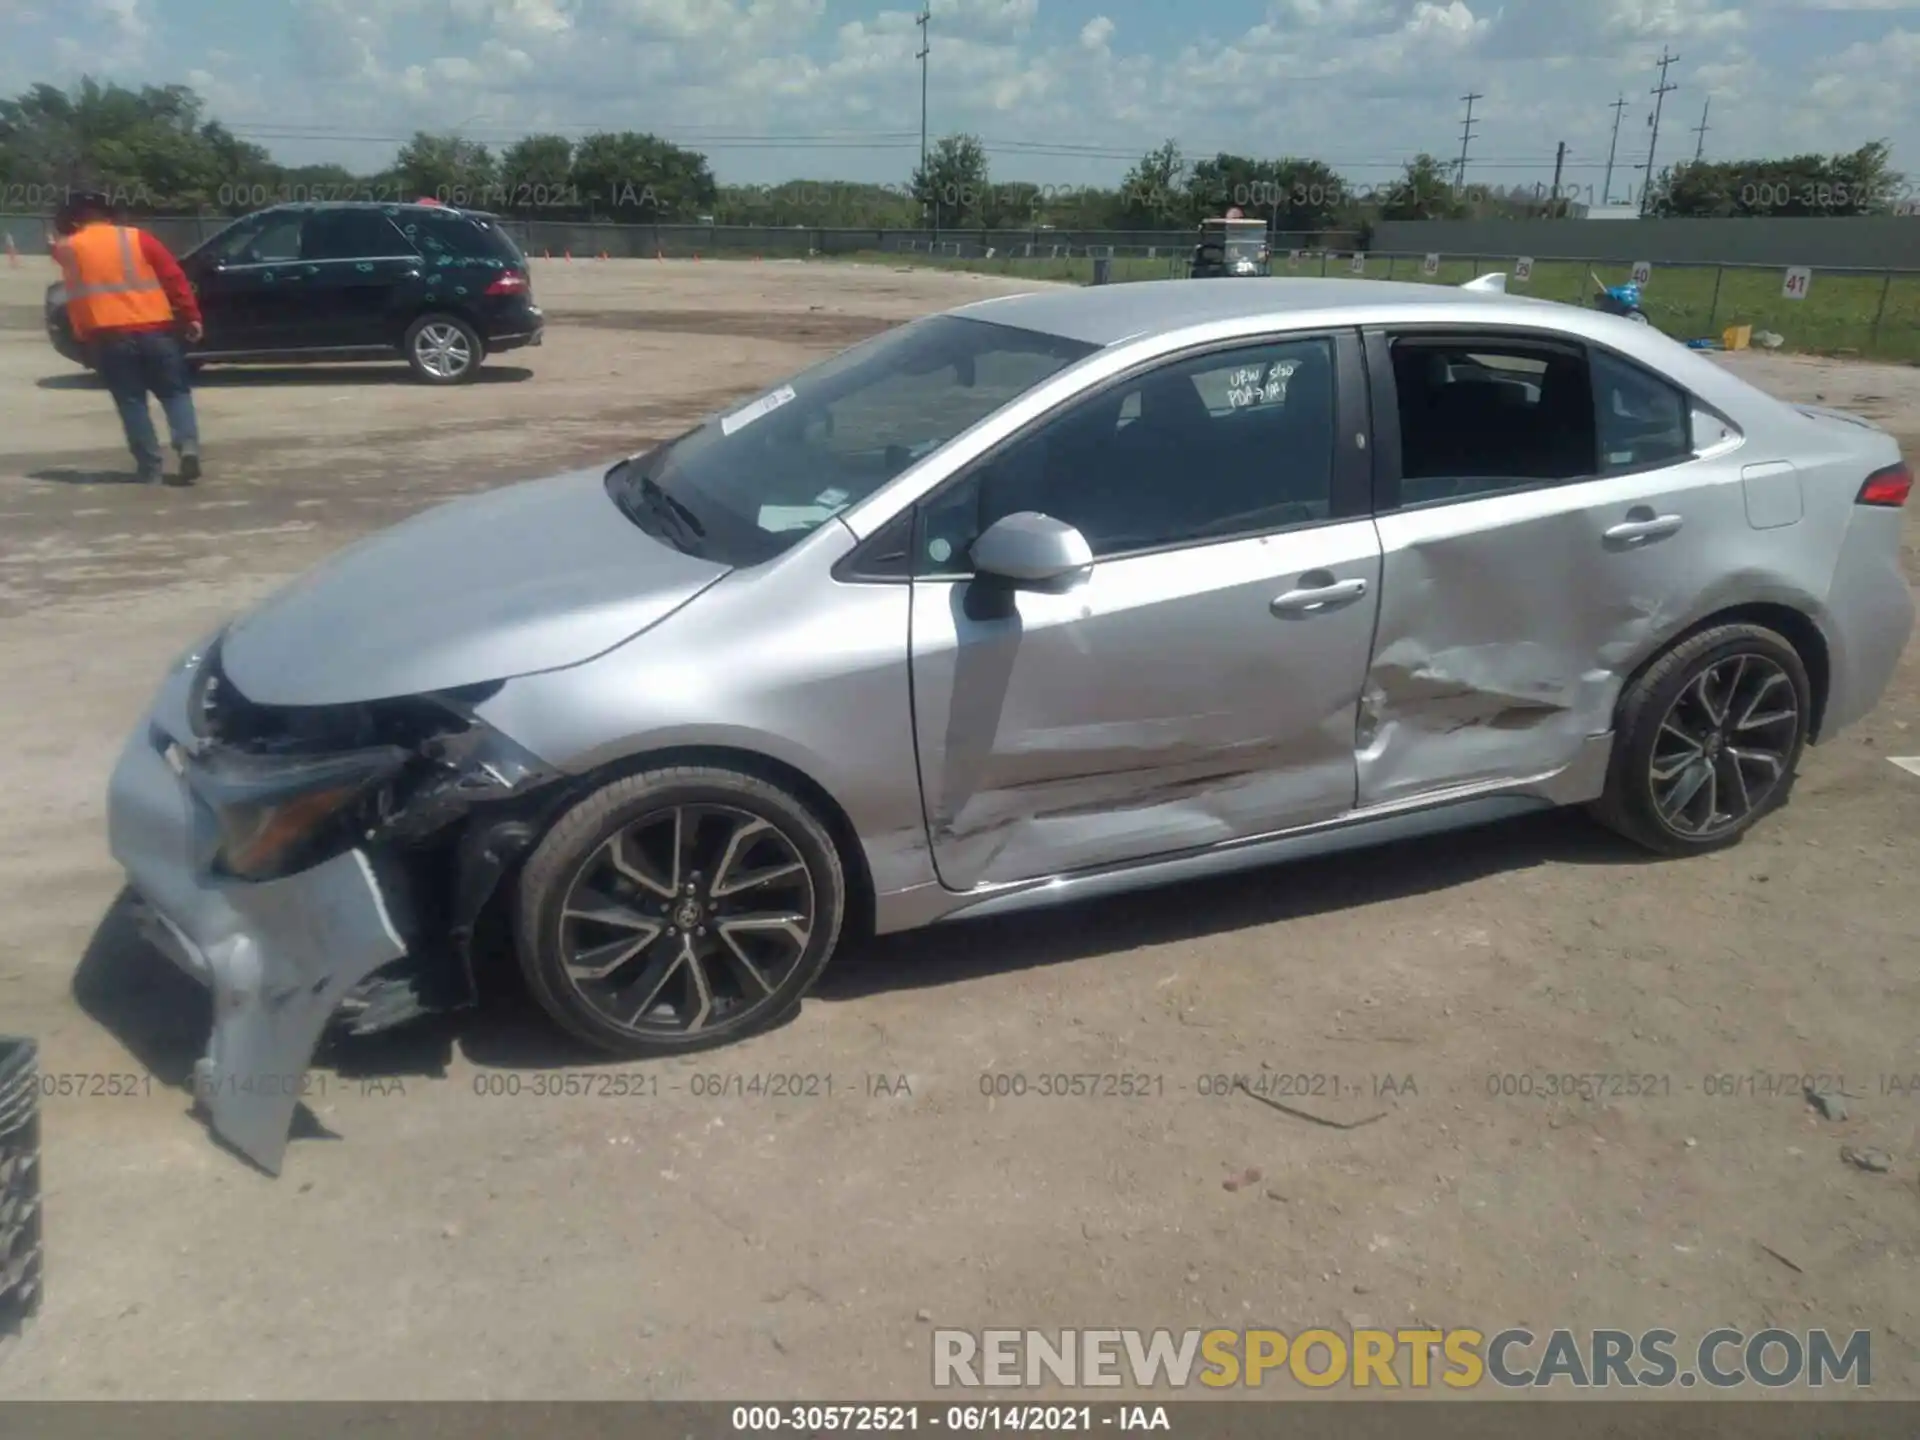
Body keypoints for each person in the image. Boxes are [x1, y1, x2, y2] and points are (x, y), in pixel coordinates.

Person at [51, 189, 204, 486]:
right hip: (156, 331)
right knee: (175, 393)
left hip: (108, 337)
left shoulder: (69, 249)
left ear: (74, 217)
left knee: (131, 402)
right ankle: (187, 445)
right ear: (109, 213)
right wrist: (191, 315)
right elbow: (173, 277)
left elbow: (71, 285)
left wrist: (83, 337)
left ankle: (150, 468)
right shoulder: (137, 238)